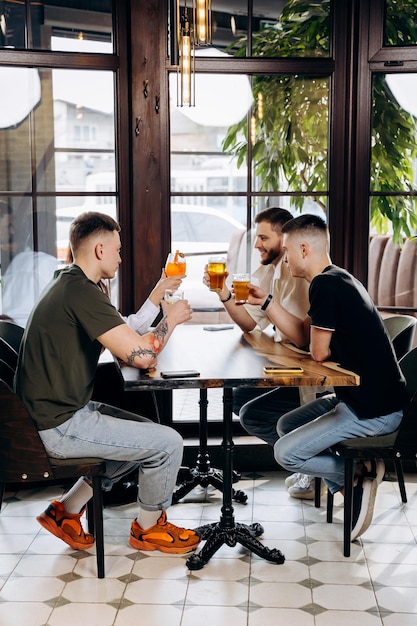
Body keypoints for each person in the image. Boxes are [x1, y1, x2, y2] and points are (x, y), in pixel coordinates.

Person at [15, 211, 200, 555]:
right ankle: (148, 530)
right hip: (59, 426)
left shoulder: (71, 283)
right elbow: (142, 355)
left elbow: (123, 331)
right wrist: (171, 321)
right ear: (100, 249)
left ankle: (65, 512)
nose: (120, 257)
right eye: (117, 249)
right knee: (169, 443)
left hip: (56, 413)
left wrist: (158, 294)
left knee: (144, 434)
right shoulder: (82, 293)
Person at [260, 214, 408, 541]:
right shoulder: (338, 278)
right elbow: (302, 335)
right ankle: (350, 488)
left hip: (372, 411)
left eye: (286, 251)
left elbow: (317, 353)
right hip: (364, 398)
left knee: (286, 453)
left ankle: (357, 475)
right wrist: (266, 302)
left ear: (302, 248)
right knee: (286, 425)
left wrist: (312, 345)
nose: (284, 259)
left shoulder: (324, 286)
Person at [204, 206, 325, 499]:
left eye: (263, 238)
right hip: (289, 363)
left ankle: (311, 463)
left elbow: (301, 337)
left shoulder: (299, 272)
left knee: (248, 407)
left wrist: (267, 304)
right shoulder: (270, 268)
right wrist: (223, 294)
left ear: (284, 239)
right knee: (241, 398)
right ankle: (307, 460)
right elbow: (249, 323)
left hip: (310, 373)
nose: (256, 244)